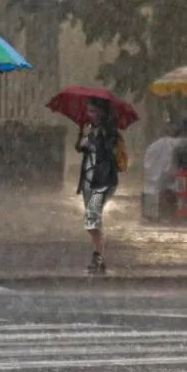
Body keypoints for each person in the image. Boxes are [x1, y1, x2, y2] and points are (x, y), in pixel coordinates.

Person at [75, 98, 121, 274]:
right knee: (92, 219)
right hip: (88, 180)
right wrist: (84, 137)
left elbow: (108, 151)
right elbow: (78, 147)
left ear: (101, 112)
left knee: (92, 218)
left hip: (103, 180)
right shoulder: (88, 127)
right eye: (89, 111)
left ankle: (98, 255)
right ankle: (99, 255)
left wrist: (93, 141)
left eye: (93, 111)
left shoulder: (109, 130)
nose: (90, 115)